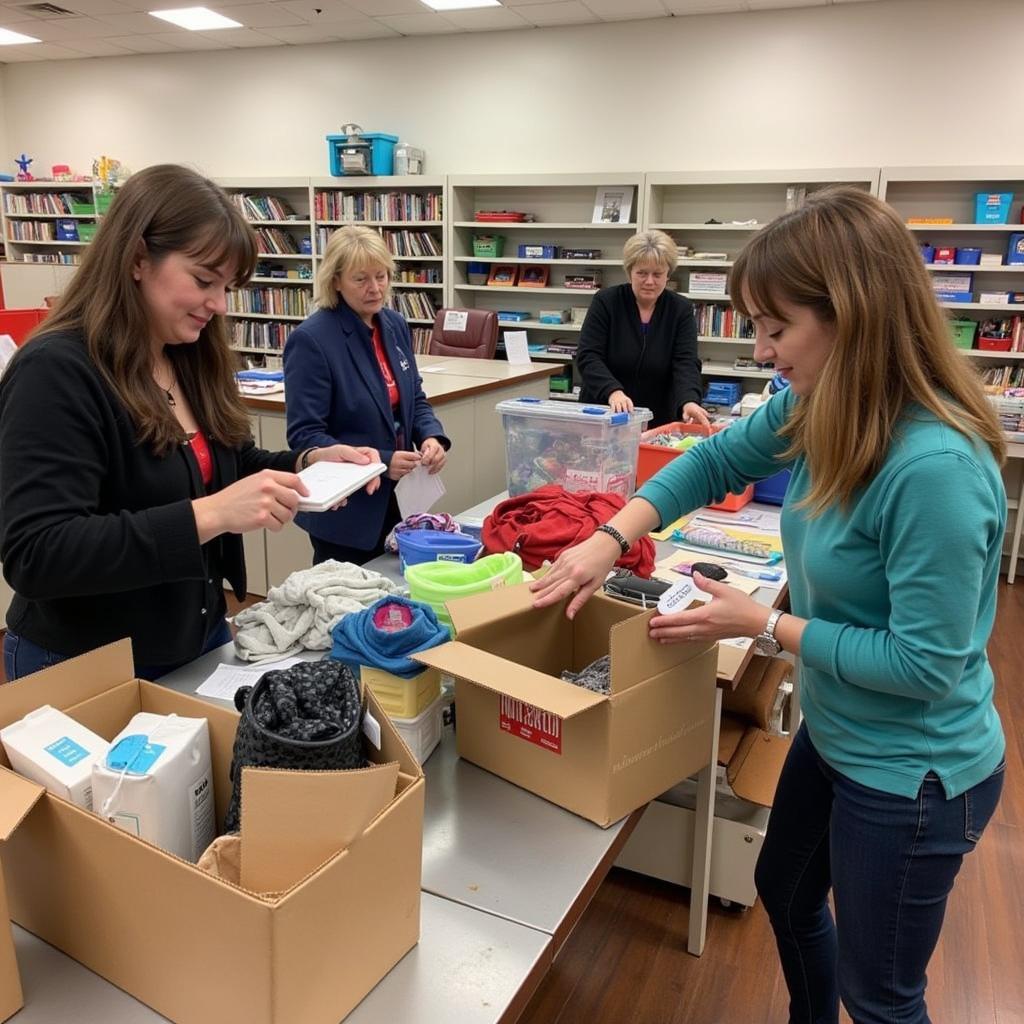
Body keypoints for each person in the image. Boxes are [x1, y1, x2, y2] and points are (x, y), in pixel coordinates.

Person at [534, 187, 1006, 1023]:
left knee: (884, 998)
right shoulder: (818, 402)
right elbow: (710, 462)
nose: (761, 351)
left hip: (913, 771)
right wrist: (609, 539)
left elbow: (924, 666)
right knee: (784, 896)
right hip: (840, 732)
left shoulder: (935, 467)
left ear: (853, 314)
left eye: (776, 328)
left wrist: (765, 626)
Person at [0, 164, 379, 682]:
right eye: (204, 280)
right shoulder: (56, 371)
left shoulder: (186, 356)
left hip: (194, 632)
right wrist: (210, 515)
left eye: (227, 286)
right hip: (87, 661)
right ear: (137, 258)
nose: (218, 304)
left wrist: (310, 463)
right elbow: (38, 553)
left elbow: (226, 460)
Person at [284, 225, 450, 566]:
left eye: (382, 276)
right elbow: (306, 437)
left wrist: (431, 436)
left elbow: (413, 396)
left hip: (398, 500)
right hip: (347, 512)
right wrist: (380, 460)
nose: (375, 289)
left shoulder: (393, 324)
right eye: (361, 279)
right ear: (335, 281)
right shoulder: (312, 340)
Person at [575, 229, 710, 428]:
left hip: (657, 416)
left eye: (657, 274)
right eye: (641, 273)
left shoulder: (680, 309)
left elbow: (686, 363)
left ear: (668, 274)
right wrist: (613, 391)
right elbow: (588, 356)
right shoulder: (606, 301)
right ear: (629, 272)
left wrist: (689, 400)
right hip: (605, 411)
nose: (649, 281)